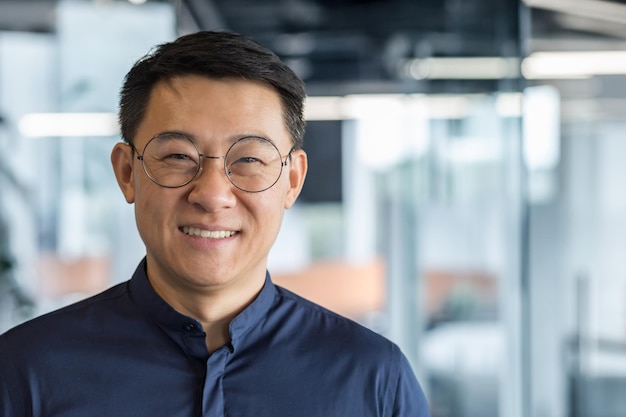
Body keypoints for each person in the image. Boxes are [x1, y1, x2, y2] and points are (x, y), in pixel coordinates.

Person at [0, 31, 430, 417]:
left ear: (292, 180)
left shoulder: (373, 380)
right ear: (127, 173)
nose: (212, 194)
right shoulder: (24, 373)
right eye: (177, 157)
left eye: (248, 160)